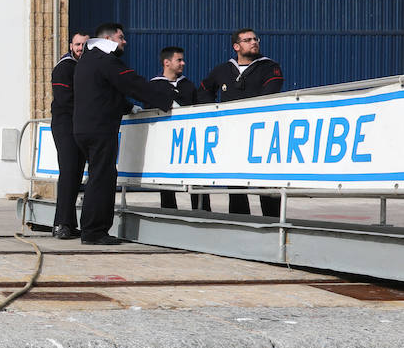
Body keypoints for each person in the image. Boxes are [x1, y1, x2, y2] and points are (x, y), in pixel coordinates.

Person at [72, 23, 176, 245]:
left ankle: (90, 228)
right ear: (108, 39)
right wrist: (166, 101)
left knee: (97, 177)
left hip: (84, 127)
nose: (125, 42)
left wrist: (128, 108)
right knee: (103, 178)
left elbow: (106, 93)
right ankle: (94, 232)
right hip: (99, 129)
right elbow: (132, 83)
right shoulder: (105, 60)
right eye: (121, 37)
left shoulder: (87, 60)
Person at [196, 28, 284, 218]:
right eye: (247, 40)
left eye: (255, 39)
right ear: (236, 46)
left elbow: (273, 88)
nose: (254, 42)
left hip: (262, 133)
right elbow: (204, 89)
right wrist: (213, 111)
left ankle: (272, 222)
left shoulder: (269, 66)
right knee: (235, 181)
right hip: (233, 134)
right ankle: (238, 219)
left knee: (266, 182)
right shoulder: (223, 69)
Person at [148, 46, 210, 212]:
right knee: (167, 182)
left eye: (183, 59)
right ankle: (168, 212)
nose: (183, 63)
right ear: (166, 62)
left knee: (197, 178)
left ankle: (202, 211)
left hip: (190, 141)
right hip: (166, 142)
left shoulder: (188, 85)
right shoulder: (154, 86)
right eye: (179, 60)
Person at [49, 31, 88, 239]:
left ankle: (69, 223)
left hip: (79, 124)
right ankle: (61, 223)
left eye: (84, 44)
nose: (81, 48)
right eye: (77, 44)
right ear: (71, 46)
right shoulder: (64, 68)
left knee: (75, 175)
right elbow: (65, 100)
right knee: (68, 172)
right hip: (65, 125)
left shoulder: (85, 67)